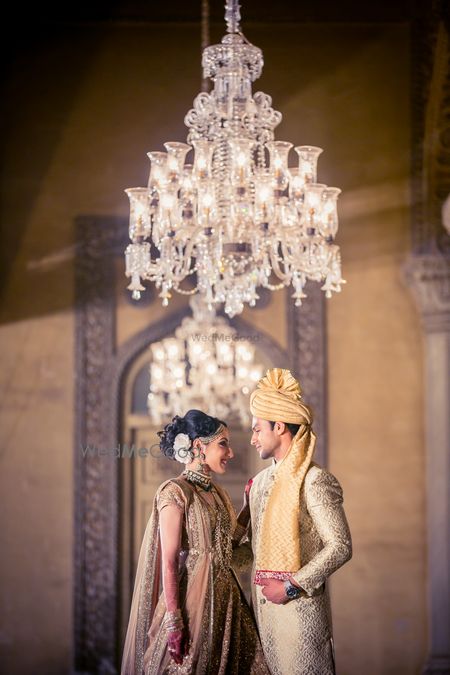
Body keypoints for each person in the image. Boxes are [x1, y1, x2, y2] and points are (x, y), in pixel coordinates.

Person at [121, 409, 269, 675]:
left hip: (228, 602)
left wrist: (248, 507)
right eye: (223, 444)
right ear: (199, 446)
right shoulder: (175, 492)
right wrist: (175, 622)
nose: (231, 453)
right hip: (192, 604)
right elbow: (168, 560)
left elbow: (229, 547)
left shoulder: (220, 494)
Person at [234, 368, 352, 675]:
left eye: (258, 429)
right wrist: (212, 547)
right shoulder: (258, 484)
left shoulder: (314, 480)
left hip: (300, 615)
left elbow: (340, 546)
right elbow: (252, 554)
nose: (252, 438)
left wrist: (290, 587)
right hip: (261, 616)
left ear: (280, 427)